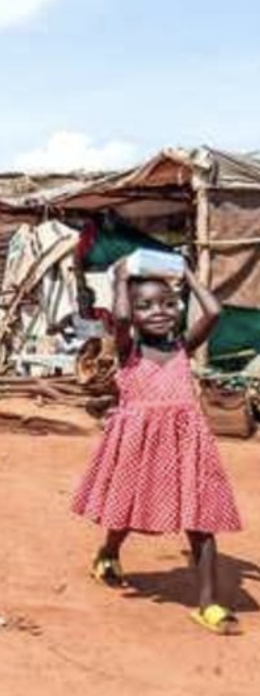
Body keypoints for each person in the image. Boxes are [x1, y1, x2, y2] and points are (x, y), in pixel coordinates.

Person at [71, 261, 243, 635]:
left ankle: (209, 604)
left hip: (185, 446)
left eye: (167, 303)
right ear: (132, 314)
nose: (159, 312)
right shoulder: (127, 350)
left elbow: (214, 311)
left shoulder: (184, 347)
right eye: (146, 306)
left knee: (200, 521)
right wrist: (119, 279)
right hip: (138, 447)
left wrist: (188, 274)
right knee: (128, 512)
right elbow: (117, 318)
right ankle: (109, 552)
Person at [50, 284, 117, 351]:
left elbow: (115, 330)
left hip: (102, 349)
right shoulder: (72, 317)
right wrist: (59, 330)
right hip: (83, 351)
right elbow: (54, 330)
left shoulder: (103, 313)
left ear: (92, 300)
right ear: (77, 300)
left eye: (86, 298)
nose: (83, 301)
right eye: (80, 298)